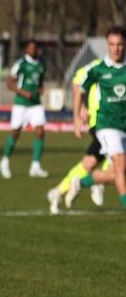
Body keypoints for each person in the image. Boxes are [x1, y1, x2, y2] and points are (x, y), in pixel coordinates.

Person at [65, 25, 126, 210]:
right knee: (120, 163)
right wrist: (77, 118)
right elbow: (79, 90)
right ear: (107, 45)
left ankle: (81, 182)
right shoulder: (98, 69)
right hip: (106, 124)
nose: (116, 48)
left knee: (116, 172)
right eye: (112, 44)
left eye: (120, 44)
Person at [46, 57, 107, 214]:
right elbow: (77, 82)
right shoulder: (99, 65)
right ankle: (97, 183)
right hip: (101, 121)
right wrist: (83, 107)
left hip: (119, 123)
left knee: (88, 164)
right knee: (118, 159)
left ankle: (58, 192)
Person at [0, 40, 48, 179]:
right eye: (30, 48)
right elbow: (9, 83)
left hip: (36, 104)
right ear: (26, 49)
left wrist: (41, 89)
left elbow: (40, 82)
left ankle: (35, 166)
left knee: (40, 131)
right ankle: (5, 161)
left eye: (35, 48)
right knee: (15, 133)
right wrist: (22, 92)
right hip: (21, 104)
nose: (33, 50)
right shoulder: (20, 64)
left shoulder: (41, 65)